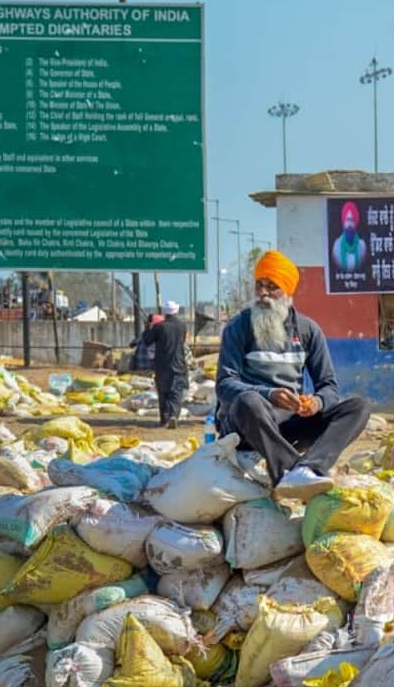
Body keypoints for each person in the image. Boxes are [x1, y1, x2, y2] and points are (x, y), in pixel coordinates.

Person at [216, 249, 372, 499]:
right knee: (249, 400)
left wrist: (316, 403)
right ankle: (288, 472)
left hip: (287, 426)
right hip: (246, 425)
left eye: (272, 287)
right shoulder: (239, 326)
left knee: (359, 407)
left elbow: (329, 386)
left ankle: (309, 468)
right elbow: (225, 385)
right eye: (259, 285)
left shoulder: (308, 330)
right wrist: (270, 394)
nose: (263, 293)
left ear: (288, 292)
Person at [142, 301, 189, 429]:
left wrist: (148, 326)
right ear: (176, 311)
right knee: (176, 391)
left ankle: (165, 418)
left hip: (162, 364)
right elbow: (182, 341)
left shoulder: (159, 327)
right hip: (178, 362)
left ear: (164, 312)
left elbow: (147, 340)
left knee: (163, 391)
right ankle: (174, 416)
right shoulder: (182, 326)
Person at [332, 201, 368, 274]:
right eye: (347, 220)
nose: (349, 224)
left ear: (355, 223)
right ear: (344, 222)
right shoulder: (336, 245)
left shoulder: (362, 245)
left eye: (352, 220)